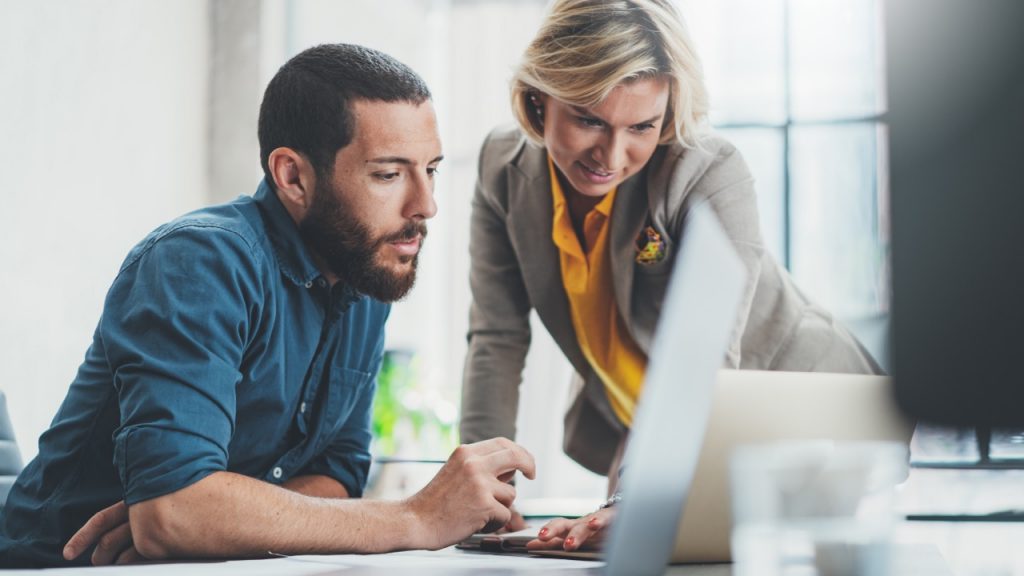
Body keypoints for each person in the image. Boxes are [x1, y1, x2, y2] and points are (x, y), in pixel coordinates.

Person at [0, 43, 534, 568]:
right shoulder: (198, 262)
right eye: (388, 175)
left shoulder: (362, 272)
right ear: (292, 176)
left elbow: (338, 473)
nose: (426, 205)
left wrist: (215, 519)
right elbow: (174, 514)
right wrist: (415, 518)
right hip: (53, 567)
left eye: (432, 169)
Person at [458, 0, 881, 552]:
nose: (611, 154)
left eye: (642, 126)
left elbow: (700, 364)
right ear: (539, 99)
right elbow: (497, 338)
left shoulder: (707, 171)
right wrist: (484, 494)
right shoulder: (501, 167)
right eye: (589, 118)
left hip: (799, 418)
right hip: (652, 431)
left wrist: (632, 498)